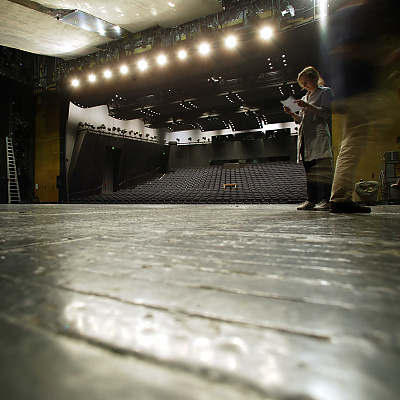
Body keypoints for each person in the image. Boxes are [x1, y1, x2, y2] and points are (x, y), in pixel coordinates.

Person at [327, 0, 400, 213]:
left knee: (353, 142)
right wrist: (388, 56)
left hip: (351, 90)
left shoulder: (342, 16)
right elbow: (352, 49)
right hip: (360, 91)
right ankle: (339, 198)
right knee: (356, 141)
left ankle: (339, 196)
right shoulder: (358, 14)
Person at [283, 66, 334, 211]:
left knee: (323, 171)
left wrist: (308, 106)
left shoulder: (325, 92)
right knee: (310, 171)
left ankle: (326, 200)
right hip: (306, 137)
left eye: (306, 81)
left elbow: (325, 113)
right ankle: (311, 200)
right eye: (302, 83)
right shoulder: (305, 97)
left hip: (319, 135)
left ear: (314, 78)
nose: (304, 85)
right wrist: (292, 113)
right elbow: (301, 120)